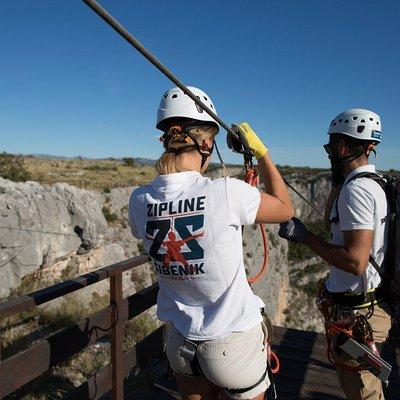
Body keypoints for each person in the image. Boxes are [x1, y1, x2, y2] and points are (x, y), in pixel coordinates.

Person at [129, 86, 294, 400]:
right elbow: (286, 208)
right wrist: (262, 153)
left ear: (165, 138)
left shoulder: (139, 200)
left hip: (180, 343)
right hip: (232, 344)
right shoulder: (227, 192)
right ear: (206, 143)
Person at [278, 109, 391, 400]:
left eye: (330, 148)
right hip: (364, 307)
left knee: (362, 392)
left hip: (357, 315)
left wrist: (305, 237)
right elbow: (333, 221)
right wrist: (338, 182)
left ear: (341, 147)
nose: (328, 154)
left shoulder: (358, 192)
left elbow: (355, 261)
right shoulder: (377, 184)